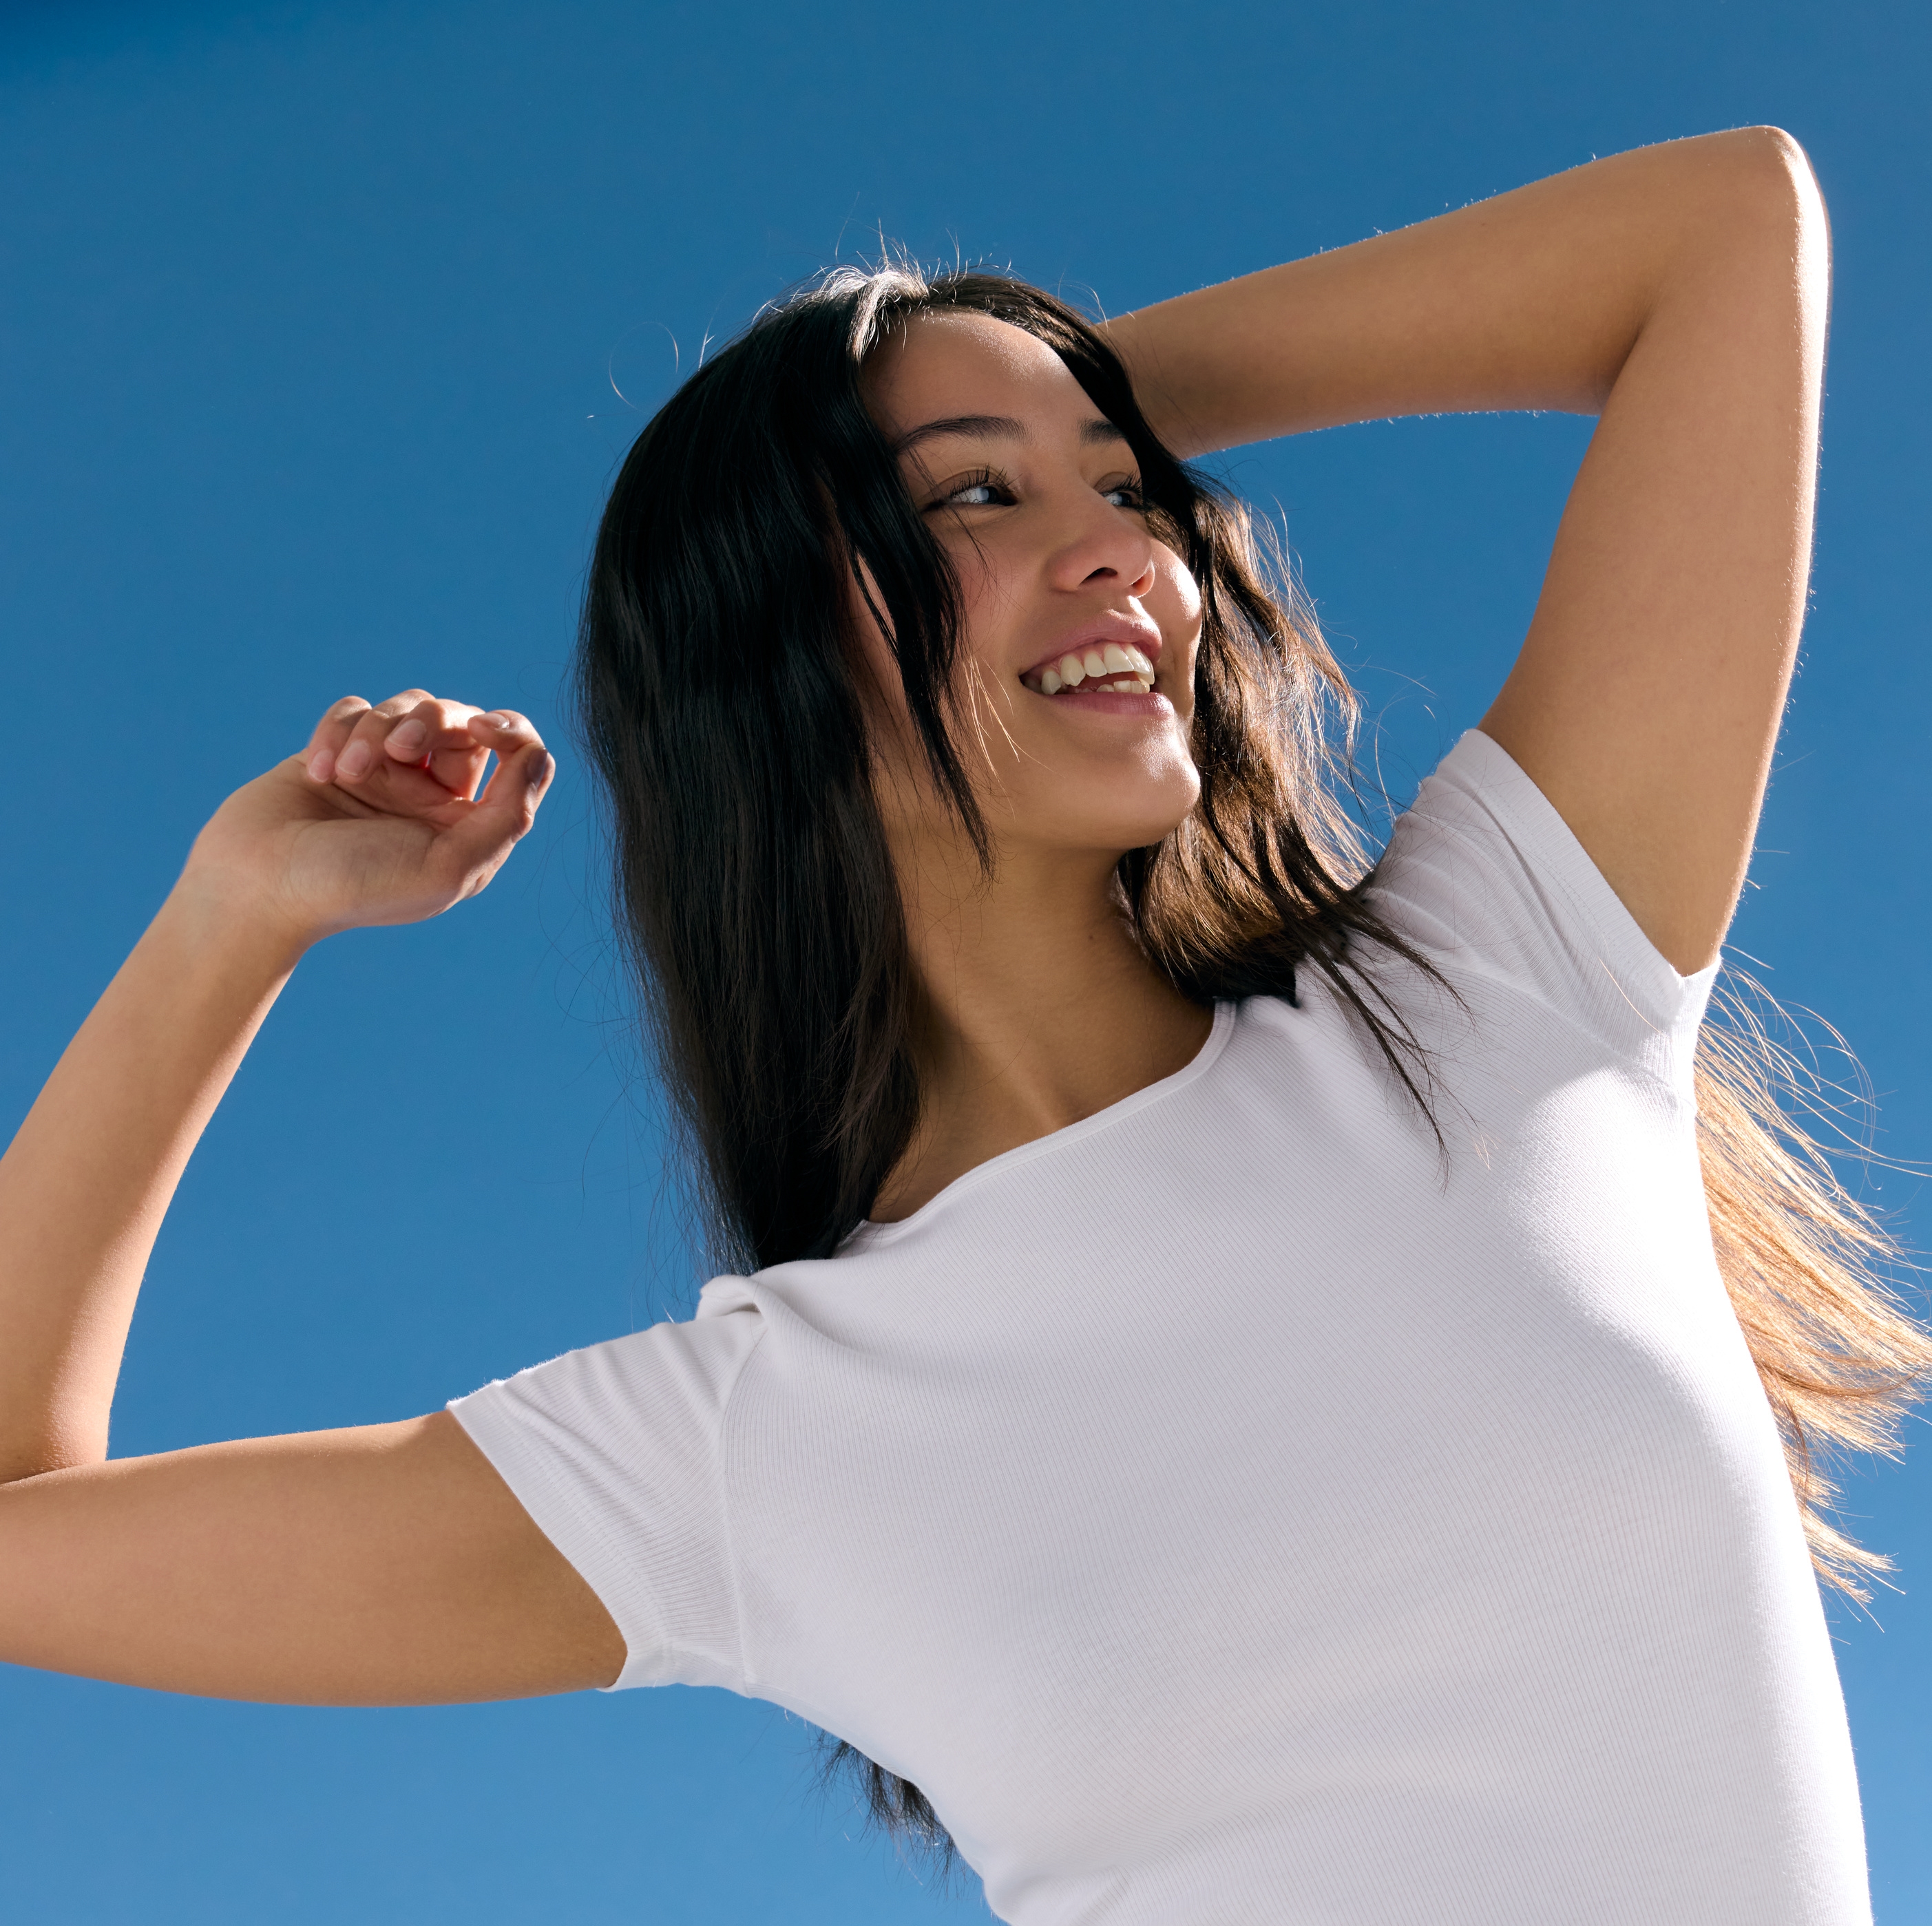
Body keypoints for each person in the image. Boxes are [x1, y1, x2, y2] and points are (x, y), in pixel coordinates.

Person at [1, 127, 1925, 1924]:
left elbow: (1725, 227)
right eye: (974, 500)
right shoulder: (751, 1441)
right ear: (764, 646)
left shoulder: (1504, 989)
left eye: (1134, 493)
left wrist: (1062, 398)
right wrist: (231, 921)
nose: (1135, 555)